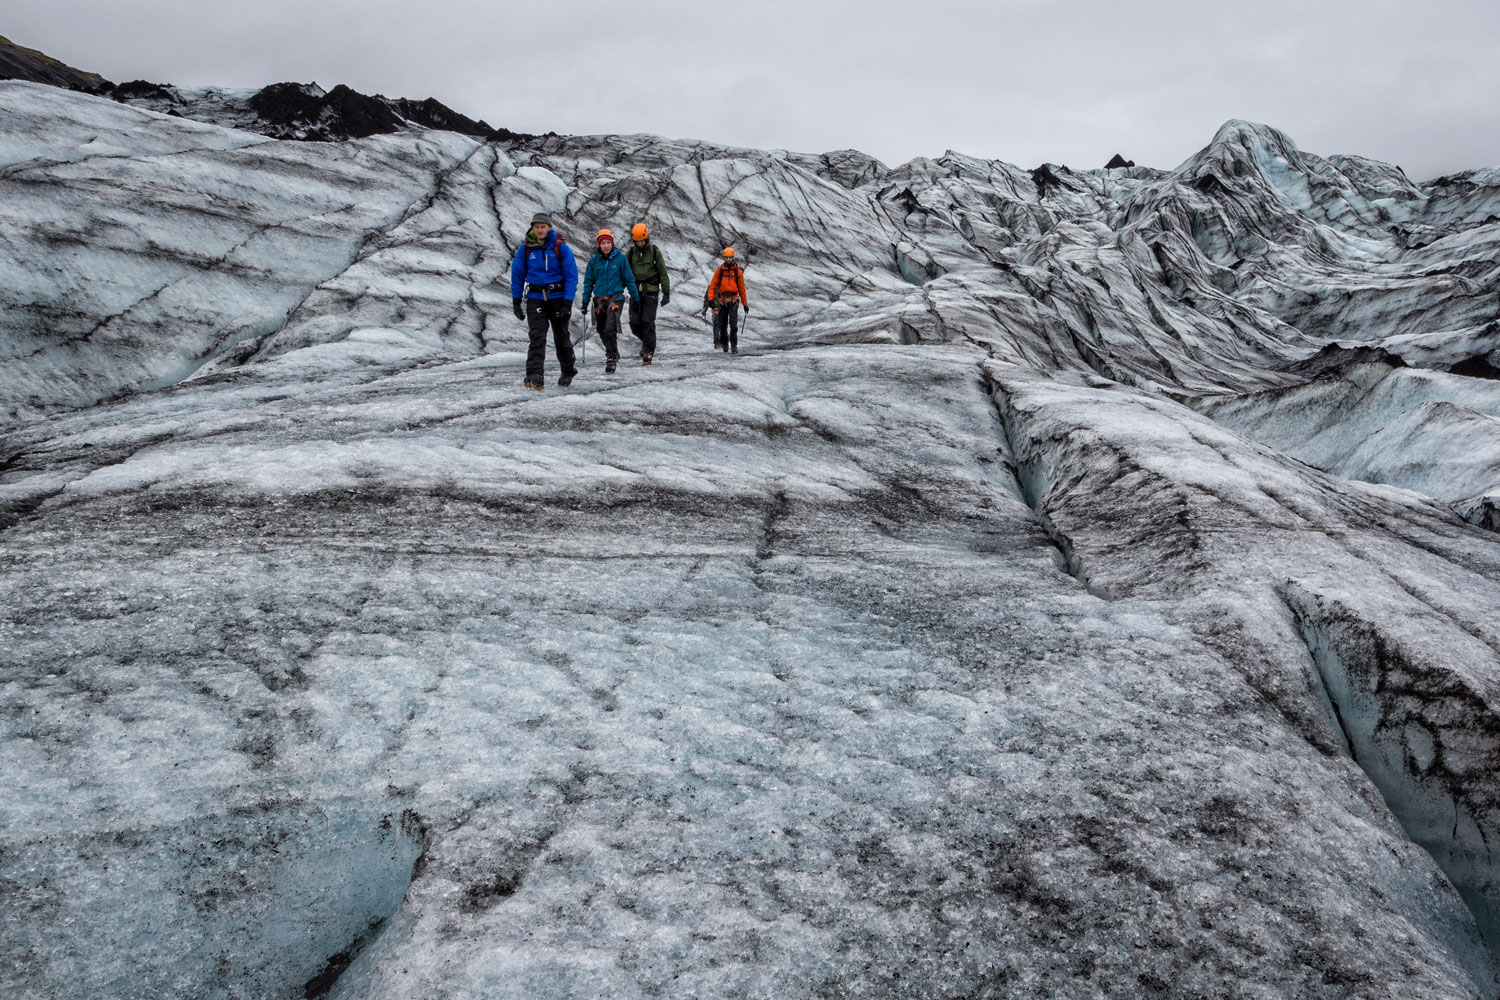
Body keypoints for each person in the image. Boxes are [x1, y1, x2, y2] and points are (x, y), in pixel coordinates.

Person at [509, 212, 578, 390]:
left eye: (543, 226)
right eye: (537, 226)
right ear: (532, 228)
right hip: (535, 298)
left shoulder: (560, 248)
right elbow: (517, 275)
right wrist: (516, 301)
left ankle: (568, 370)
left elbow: (571, 276)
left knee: (561, 337)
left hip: (557, 298)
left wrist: (567, 302)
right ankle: (534, 374)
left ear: (549, 228)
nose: (540, 230)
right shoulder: (525, 249)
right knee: (537, 337)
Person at [578, 229, 640, 374]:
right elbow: (588, 282)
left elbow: (629, 279)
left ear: (612, 243)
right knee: (601, 330)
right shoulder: (594, 261)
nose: (606, 246)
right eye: (603, 243)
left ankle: (611, 357)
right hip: (599, 301)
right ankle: (614, 352)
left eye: (608, 242)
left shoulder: (621, 259)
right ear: (599, 245)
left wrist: (635, 298)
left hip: (615, 300)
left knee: (610, 328)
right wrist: (585, 302)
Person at [626, 223, 670, 365]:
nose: (640, 243)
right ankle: (646, 342)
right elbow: (624, 271)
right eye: (637, 241)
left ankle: (649, 351)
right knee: (634, 323)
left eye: (642, 240)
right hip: (635, 292)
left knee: (647, 322)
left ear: (646, 238)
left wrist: (666, 292)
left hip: (651, 292)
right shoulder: (631, 253)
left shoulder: (654, 252)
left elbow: (663, 272)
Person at [701, 247, 749, 354]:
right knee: (722, 325)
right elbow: (712, 286)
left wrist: (745, 304)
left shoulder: (738, 273)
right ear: (724, 257)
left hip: (733, 301)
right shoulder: (719, 271)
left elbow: (742, 289)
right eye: (726, 257)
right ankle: (725, 344)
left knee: (733, 324)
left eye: (730, 257)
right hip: (722, 301)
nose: (728, 259)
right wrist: (711, 300)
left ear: (732, 257)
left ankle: (734, 345)